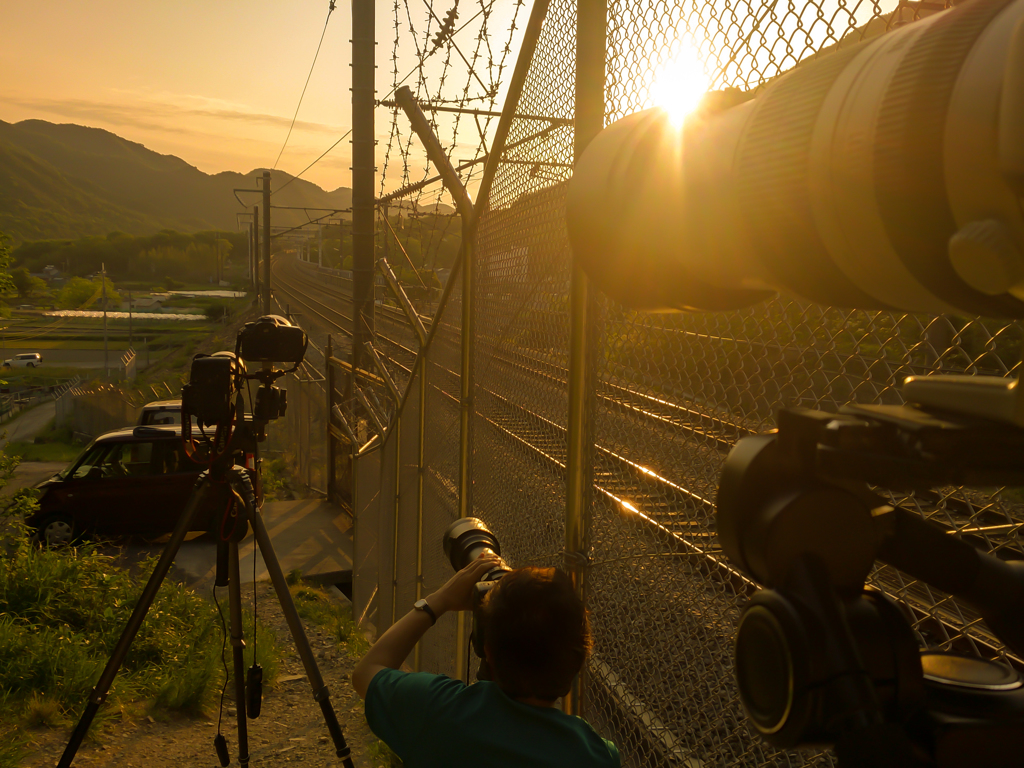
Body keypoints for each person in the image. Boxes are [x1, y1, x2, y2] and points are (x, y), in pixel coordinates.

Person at [352, 555, 620, 768]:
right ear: (578, 660)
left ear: (486, 650)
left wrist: (439, 601)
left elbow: (367, 671)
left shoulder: (436, 711)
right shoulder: (595, 756)